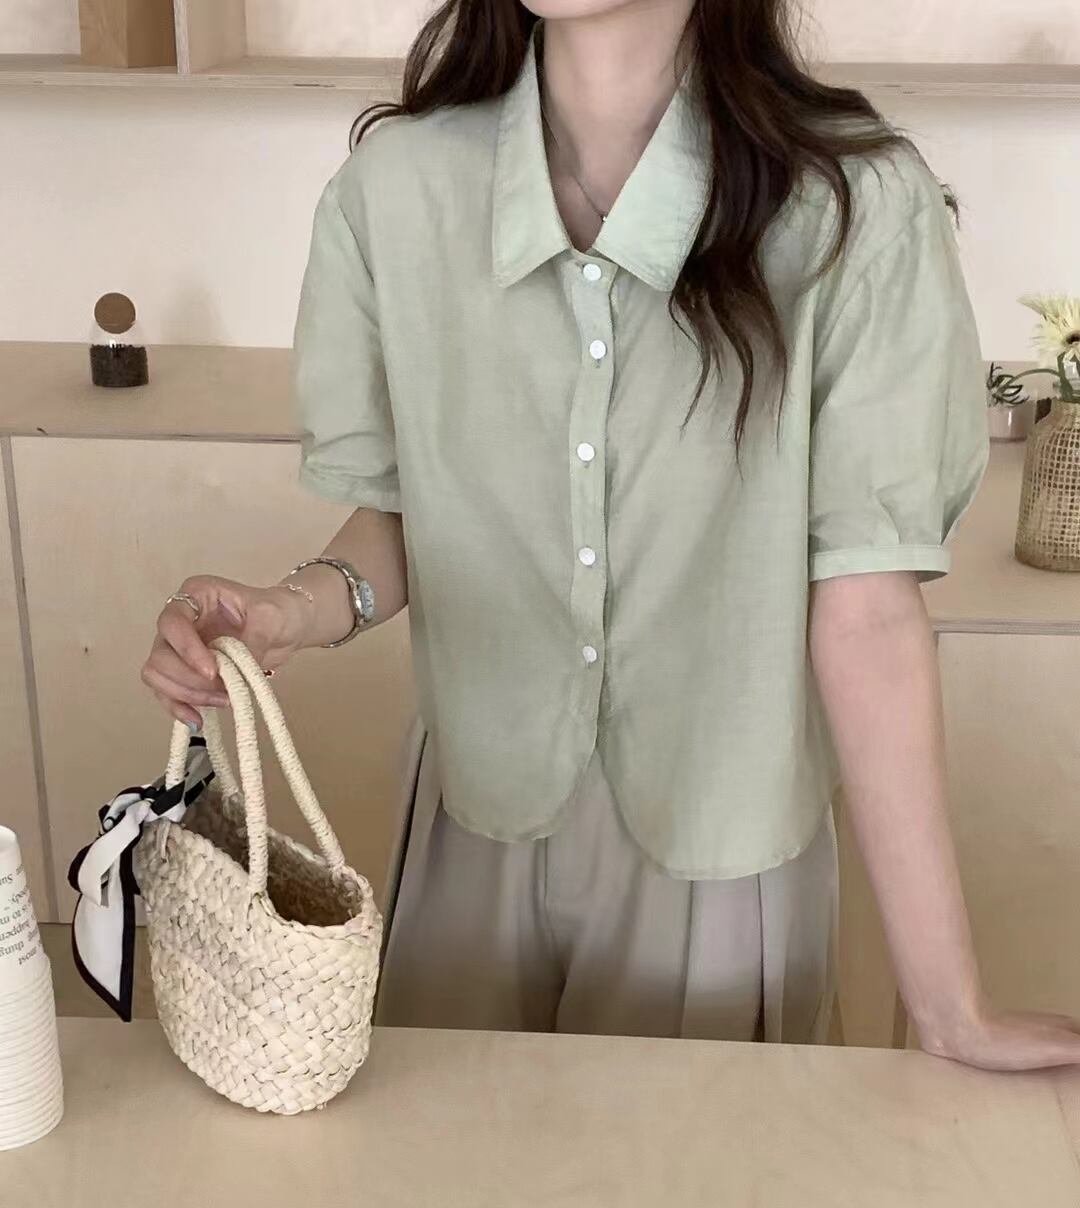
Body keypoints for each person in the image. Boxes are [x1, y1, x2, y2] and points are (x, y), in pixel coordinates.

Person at [142, 0, 1080, 1069]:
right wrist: (285, 612)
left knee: (705, 1176)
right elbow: (407, 514)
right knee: (448, 1168)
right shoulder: (394, 191)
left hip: (723, 847)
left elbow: (865, 607)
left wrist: (949, 1006)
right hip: (473, 830)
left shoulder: (856, 207)